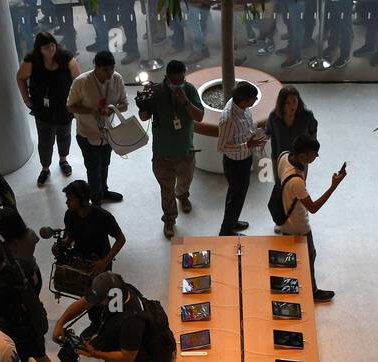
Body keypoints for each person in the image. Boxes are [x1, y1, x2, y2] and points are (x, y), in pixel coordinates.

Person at [137, 60, 204, 240]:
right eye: (175, 80)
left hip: (185, 151)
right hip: (162, 153)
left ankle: (182, 195)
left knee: (185, 180)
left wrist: (185, 102)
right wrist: (143, 110)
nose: (178, 83)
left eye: (181, 79)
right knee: (166, 190)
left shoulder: (189, 90)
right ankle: (169, 219)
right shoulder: (155, 91)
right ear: (167, 77)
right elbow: (144, 117)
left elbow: (199, 117)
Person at [276, 133, 347, 302]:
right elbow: (313, 208)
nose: (316, 156)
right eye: (314, 154)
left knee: (290, 255)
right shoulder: (297, 182)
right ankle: (312, 291)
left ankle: (287, 284)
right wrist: (333, 186)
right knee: (309, 255)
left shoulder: (283, 156)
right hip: (298, 225)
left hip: (284, 218)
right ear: (302, 156)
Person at [18, 31, 79, 186]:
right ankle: (45, 168)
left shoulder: (66, 57)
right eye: (46, 47)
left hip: (64, 106)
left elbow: (78, 80)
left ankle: (63, 160)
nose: (51, 49)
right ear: (39, 49)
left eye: (52, 45)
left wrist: (75, 102)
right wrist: (26, 99)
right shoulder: (31, 60)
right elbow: (20, 77)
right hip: (43, 109)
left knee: (64, 135)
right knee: (45, 140)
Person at [67, 50, 128, 204]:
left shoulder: (117, 79)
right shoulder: (81, 82)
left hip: (108, 134)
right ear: (96, 67)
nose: (109, 73)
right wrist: (92, 111)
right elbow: (70, 107)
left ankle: (103, 191)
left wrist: (112, 109)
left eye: (112, 69)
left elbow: (125, 105)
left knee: (105, 164)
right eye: (105, 70)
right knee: (93, 169)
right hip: (87, 134)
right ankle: (95, 201)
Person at [217, 82, 267, 237]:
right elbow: (222, 147)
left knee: (237, 195)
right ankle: (226, 231)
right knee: (235, 197)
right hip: (234, 164)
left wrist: (256, 134)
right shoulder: (228, 119)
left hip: (245, 159)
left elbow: (247, 126)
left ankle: (232, 222)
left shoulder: (242, 108)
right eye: (253, 98)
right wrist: (247, 144)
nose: (255, 100)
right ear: (244, 100)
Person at [267, 86, 318, 175]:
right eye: (288, 103)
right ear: (282, 104)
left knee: (299, 184)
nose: (292, 106)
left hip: (301, 159)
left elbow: (313, 132)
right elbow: (272, 139)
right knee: (281, 185)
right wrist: (275, 161)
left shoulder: (307, 116)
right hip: (282, 159)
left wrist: (311, 152)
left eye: (294, 101)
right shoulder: (274, 117)